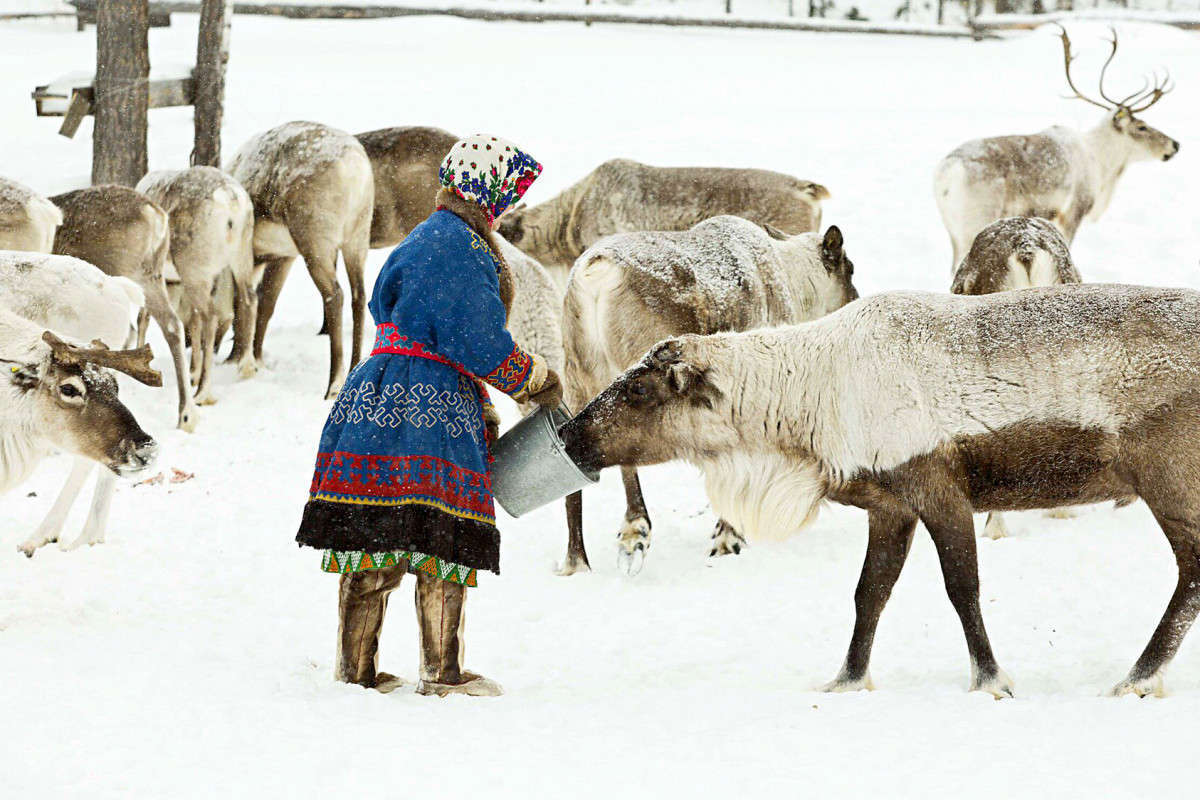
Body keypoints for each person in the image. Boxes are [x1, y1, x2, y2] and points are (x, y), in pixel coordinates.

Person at [295, 135, 561, 697]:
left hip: (375, 393)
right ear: (490, 190)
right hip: (432, 404)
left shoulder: (421, 237)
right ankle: (443, 673)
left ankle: (355, 672)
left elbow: (392, 308)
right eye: (508, 193)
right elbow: (478, 342)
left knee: (374, 533)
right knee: (440, 541)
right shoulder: (462, 248)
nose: (509, 205)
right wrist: (536, 379)